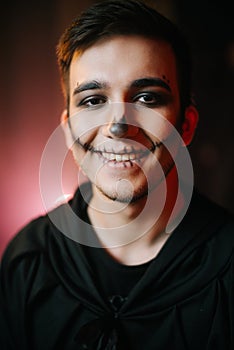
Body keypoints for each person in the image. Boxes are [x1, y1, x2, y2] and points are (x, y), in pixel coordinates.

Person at [0, 0, 233, 349]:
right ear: (67, 128)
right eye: (93, 100)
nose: (118, 127)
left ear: (186, 125)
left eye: (146, 98)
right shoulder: (27, 262)